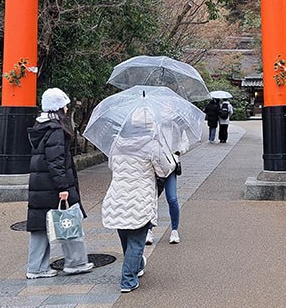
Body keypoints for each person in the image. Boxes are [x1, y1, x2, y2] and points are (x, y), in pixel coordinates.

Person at [102, 107, 176, 293]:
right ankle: (128, 280)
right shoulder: (151, 145)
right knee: (137, 241)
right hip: (140, 198)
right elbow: (164, 171)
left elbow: (112, 165)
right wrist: (172, 159)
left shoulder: (117, 143)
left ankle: (136, 264)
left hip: (117, 196)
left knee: (126, 236)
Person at [26, 88, 94, 279]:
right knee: (70, 219)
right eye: (64, 105)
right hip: (54, 186)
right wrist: (63, 187)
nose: (66, 108)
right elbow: (55, 161)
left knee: (40, 226)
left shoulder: (41, 127)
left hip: (40, 186)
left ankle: (36, 267)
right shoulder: (55, 130)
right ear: (57, 108)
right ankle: (76, 262)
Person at [146, 128, 190, 245]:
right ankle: (149, 230)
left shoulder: (177, 127)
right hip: (153, 166)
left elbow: (185, 143)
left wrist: (178, 152)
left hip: (170, 166)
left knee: (172, 198)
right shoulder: (152, 125)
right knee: (151, 198)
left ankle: (174, 230)